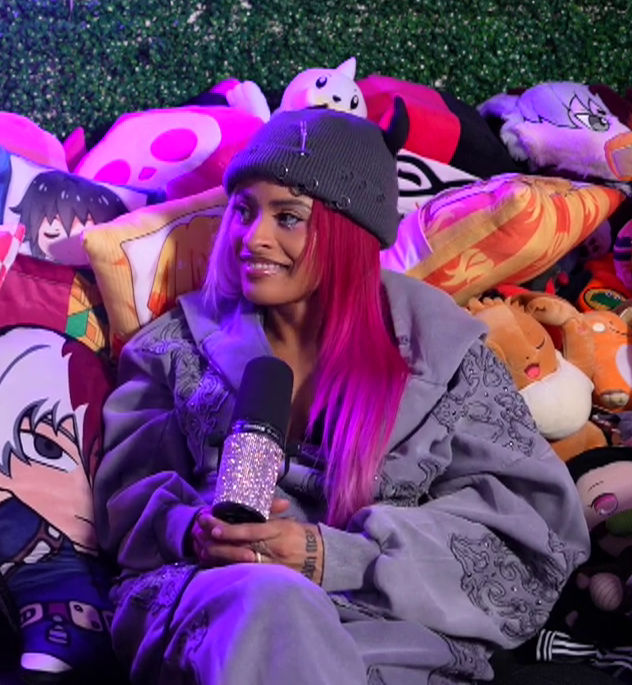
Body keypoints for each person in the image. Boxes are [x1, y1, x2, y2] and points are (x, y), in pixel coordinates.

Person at [95, 104, 590, 684]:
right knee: (270, 602)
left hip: (388, 633)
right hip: (220, 611)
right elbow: (125, 508)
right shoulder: (173, 348)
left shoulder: (445, 356)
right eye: (244, 211)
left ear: (347, 231)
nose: (254, 238)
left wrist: (329, 556)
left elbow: (533, 542)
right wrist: (194, 528)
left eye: (288, 217)